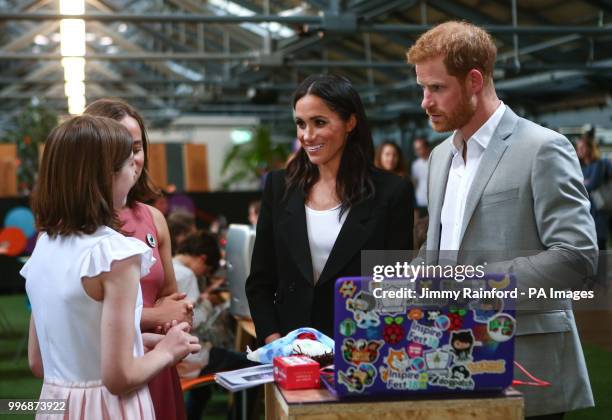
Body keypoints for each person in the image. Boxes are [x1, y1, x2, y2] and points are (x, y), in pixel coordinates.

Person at [407, 21, 597, 418]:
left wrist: (472, 285)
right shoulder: (440, 156)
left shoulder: (543, 148)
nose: (425, 101)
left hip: (524, 362)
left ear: (474, 80)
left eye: (437, 88)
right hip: (453, 360)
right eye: (422, 88)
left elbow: (576, 259)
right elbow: (439, 251)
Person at [22, 115, 200, 418]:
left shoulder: (46, 245)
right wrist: (168, 351)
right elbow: (119, 378)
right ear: (104, 176)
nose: (135, 166)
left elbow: (39, 361)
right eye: (126, 159)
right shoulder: (116, 254)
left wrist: (136, 339)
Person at [246, 74, 414, 344]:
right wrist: (274, 342)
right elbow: (260, 281)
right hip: (290, 349)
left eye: (319, 123)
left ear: (350, 122)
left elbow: (394, 287)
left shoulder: (392, 192)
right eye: (300, 124)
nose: (307, 135)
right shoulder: (279, 187)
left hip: (361, 348)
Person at [85, 98, 192, 420]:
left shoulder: (153, 218)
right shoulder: (76, 225)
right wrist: (149, 317)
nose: (131, 160)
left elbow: (169, 297)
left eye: (136, 147)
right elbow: (72, 316)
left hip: (156, 364)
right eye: (119, 151)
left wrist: (179, 317)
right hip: (104, 371)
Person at [172, 230, 254, 420]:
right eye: (207, 270)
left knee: (203, 392)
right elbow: (192, 320)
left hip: (178, 356)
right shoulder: (186, 275)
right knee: (251, 364)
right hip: (191, 358)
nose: (205, 275)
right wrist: (208, 302)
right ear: (202, 259)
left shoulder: (171, 265)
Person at [576, 135, 609, 251]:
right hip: (586, 208)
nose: (579, 150)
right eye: (578, 148)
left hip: (598, 208)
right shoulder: (581, 166)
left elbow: (592, 184)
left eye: (582, 148)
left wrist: (581, 182)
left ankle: (602, 269)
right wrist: (584, 182)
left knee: (600, 244)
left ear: (589, 148)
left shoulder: (598, 163)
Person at [411, 137, 431, 218]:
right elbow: (415, 183)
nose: (418, 151)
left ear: (427, 147)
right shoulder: (415, 165)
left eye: (420, 148)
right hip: (420, 200)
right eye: (416, 149)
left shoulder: (434, 160)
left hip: (435, 200)